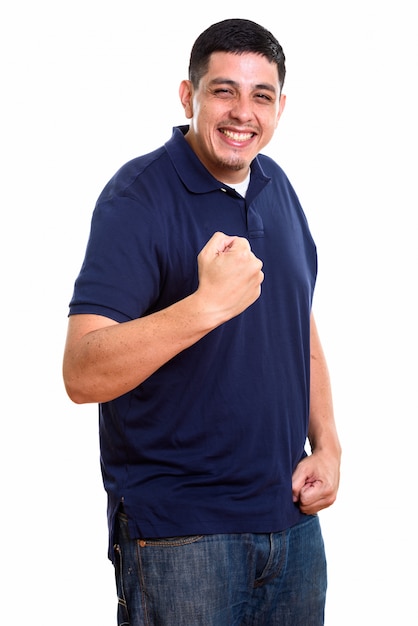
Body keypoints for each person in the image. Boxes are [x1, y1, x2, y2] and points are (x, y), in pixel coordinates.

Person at [63, 17, 341, 626]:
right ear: (188, 96)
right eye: (223, 90)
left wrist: (328, 444)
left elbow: (301, 322)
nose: (242, 112)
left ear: (280, 107)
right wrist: (203, 307)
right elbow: (81, 372)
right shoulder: (137, 198)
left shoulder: (276, 186)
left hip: (291, 528)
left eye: (260, 95)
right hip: (182, 539)